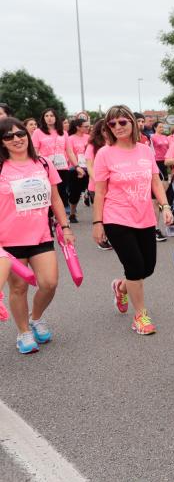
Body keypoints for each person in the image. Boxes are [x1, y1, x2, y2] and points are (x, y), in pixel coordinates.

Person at [92, 105, 173, 335]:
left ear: (131, 123)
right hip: (116, 217)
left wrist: (165, 206)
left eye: (122, 122)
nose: (117, 127)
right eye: (112, 124)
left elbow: (155, 182)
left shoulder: (145, 150)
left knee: (147, 267)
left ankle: (121, 287)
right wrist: (98, 223)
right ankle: (140, 316)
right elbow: (99, 192)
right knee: (135, 266)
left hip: (145, 215)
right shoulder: (104, 154)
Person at [0, 117, 74, 353]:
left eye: (20, 133)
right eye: (8, 136)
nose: (16, 139)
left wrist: (65, 227)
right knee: (18, 288)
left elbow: (55, 199)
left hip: (41, 235)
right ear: (2, 142)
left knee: (49, 283)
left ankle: (36, 316)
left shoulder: (42, 163)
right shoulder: (1, 167)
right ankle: (23, 332)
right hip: (8, 241)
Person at [32, 108, 76, 208]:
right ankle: (50, 215)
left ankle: (63, 218)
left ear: (56, 118)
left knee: (61, 192)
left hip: (62, 168)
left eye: (52, 116)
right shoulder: (38, 132)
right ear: (43, 119)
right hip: (46, 168)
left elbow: (69, 151)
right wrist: (34, 168)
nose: (49, 118)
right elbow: (35, 152)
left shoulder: (63, 133)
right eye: (46, 116)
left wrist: (77, 166)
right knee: (49, 192)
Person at [84, 119, 113, 251]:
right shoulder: (92, 146)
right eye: (103, 130)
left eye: (108, 129)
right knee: (100, 212)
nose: (106, 132)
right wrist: (97, 179)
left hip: (113, 185)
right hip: (96, 186)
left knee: (110, 212)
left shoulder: (115, 144)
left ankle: (109, 236)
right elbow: (89, 165)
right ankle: (102, 238)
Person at [66, 117, 90, 223]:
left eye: (88, 126)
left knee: (93, 191)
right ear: (78, 127)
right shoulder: (70, 138)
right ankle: (72, 213)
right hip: (75, 168)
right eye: (85, 126)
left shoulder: (89, 137)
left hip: (89, 167)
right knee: (75, 193)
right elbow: (69, 153)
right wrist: (77, 167)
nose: (88, 128)